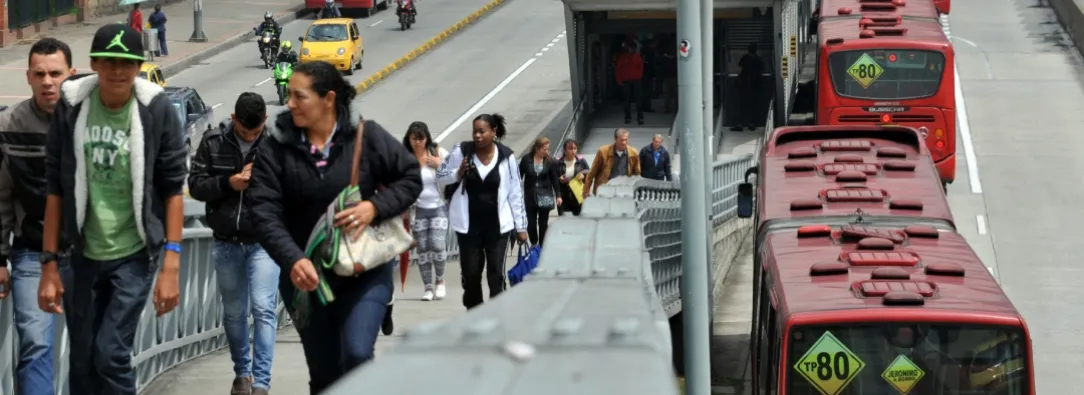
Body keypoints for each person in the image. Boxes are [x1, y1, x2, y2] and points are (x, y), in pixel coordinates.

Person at [247, 60, 421, 393]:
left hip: (364, 270)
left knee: (356, 354)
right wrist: (292, 258)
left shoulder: (365, 137)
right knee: (325, 373)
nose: (290, 103)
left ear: (328, 99)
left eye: (300, 96)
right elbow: (263, 210)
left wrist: (375, 207)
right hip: (308, 280)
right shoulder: (276, 146)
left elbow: (410, 177)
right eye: (289, 95)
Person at [38, 24, 186, 395]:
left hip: (134, 255)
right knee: (83, 363)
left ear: (138, 66)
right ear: (93, 64)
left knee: (110, 354)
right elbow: (55, 188)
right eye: (108, 62)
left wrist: (171, 261)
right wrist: (49, 264)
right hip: (80, 254)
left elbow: (172, 189)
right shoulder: (72, 108)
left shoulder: (156, 110)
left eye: (126, 62)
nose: (117, 71)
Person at [187, 92, 277, 395]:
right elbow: (195, 186)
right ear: (234, 119)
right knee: (235, 312)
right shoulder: (213, 142)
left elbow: (291, 190)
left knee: (264, 308)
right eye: (244, 131)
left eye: (256, 131)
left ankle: (262, 381)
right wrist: (229, 183)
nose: (250, 136)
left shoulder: (276, 145)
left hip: (264, 241)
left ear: (265, 121)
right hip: (226, 240)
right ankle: (242, 372)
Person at [0, 37, 75, 395]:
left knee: (97, 350)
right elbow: (1, 195)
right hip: (31, 251)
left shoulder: (93, 117)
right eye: (40, 74)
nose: (48, 81)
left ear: (71, 74)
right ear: (28, 77)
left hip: (89, 251)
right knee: (35, 343)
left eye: (55, 73)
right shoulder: (10, 124)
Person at [436, 113, 527, 310]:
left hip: (498, 228)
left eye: (482, 131)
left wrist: (521, 227)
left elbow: (515, 194)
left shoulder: (506, 157)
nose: (477, 135)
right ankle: (474, 314)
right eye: (474, 131)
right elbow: (440, 176)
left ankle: (496, 317)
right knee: (471, 276)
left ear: (493, 132)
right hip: (469, 227)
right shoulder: (461, 152)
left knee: (496, 277)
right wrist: (457, 173)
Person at [402, 121, 449, 301]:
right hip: (417, 210)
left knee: (437, 246)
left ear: (426, 138)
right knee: (422, 249)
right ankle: (428, 287)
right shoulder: (405, 158)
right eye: (414, 138)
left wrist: (440, 165)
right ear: (409, 138)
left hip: (438, 207)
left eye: (421, 138)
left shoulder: (437, 153)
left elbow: (454, 172)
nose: (417, 142)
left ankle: (440, 281)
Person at [518, 137, 561, 246]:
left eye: (548, 149)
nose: (546, 152)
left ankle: (542, 246)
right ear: (537, 148)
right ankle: (534, 241)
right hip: (530, 196)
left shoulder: (550, 161)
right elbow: (518, 175)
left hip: (545, 196)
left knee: (543, 223)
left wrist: (558, 195)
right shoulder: (526, 159)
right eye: (544, 149)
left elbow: (555, 179)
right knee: (531, 223)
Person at [583, 128, 640, 198]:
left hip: (624, 191)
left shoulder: (634, 153)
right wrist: (586, 192)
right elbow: (591, 174)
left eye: (626, 140)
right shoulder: (603, 152)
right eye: (621, 140)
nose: (624, 142)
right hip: (605, 190)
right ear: (615, 139)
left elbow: (637, 175)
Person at [732, 42, 765, 132]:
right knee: (753, 105)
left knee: (742, 105)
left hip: (745, 84)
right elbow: (762, 70)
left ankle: (740, 124)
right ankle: (752, 124)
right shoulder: (759, 59)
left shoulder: (745, 58)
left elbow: (739, 69)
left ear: (748, 49)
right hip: (755, 85)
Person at [555, 139, 589, 217]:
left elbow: (589, 173)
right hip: (563, 197)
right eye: (570, 148)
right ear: (564, 150)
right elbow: (553, 178)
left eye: (575, 148)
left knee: (578, 222)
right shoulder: (558, 163)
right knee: (564, 222)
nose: (573, 151)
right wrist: (559, 179)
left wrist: (583, 176)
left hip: (578, 196)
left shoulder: (581, 161)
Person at [615, 40, 644, 125]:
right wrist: (619, 80)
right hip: (627, 80)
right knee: (627, 99)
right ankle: (628, 116)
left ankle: (640, 117)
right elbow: (618, 69)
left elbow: (641, 68)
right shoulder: (624, 57)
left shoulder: (636, 57)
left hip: (635, 79)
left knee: (638, 99)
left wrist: (639, 77)